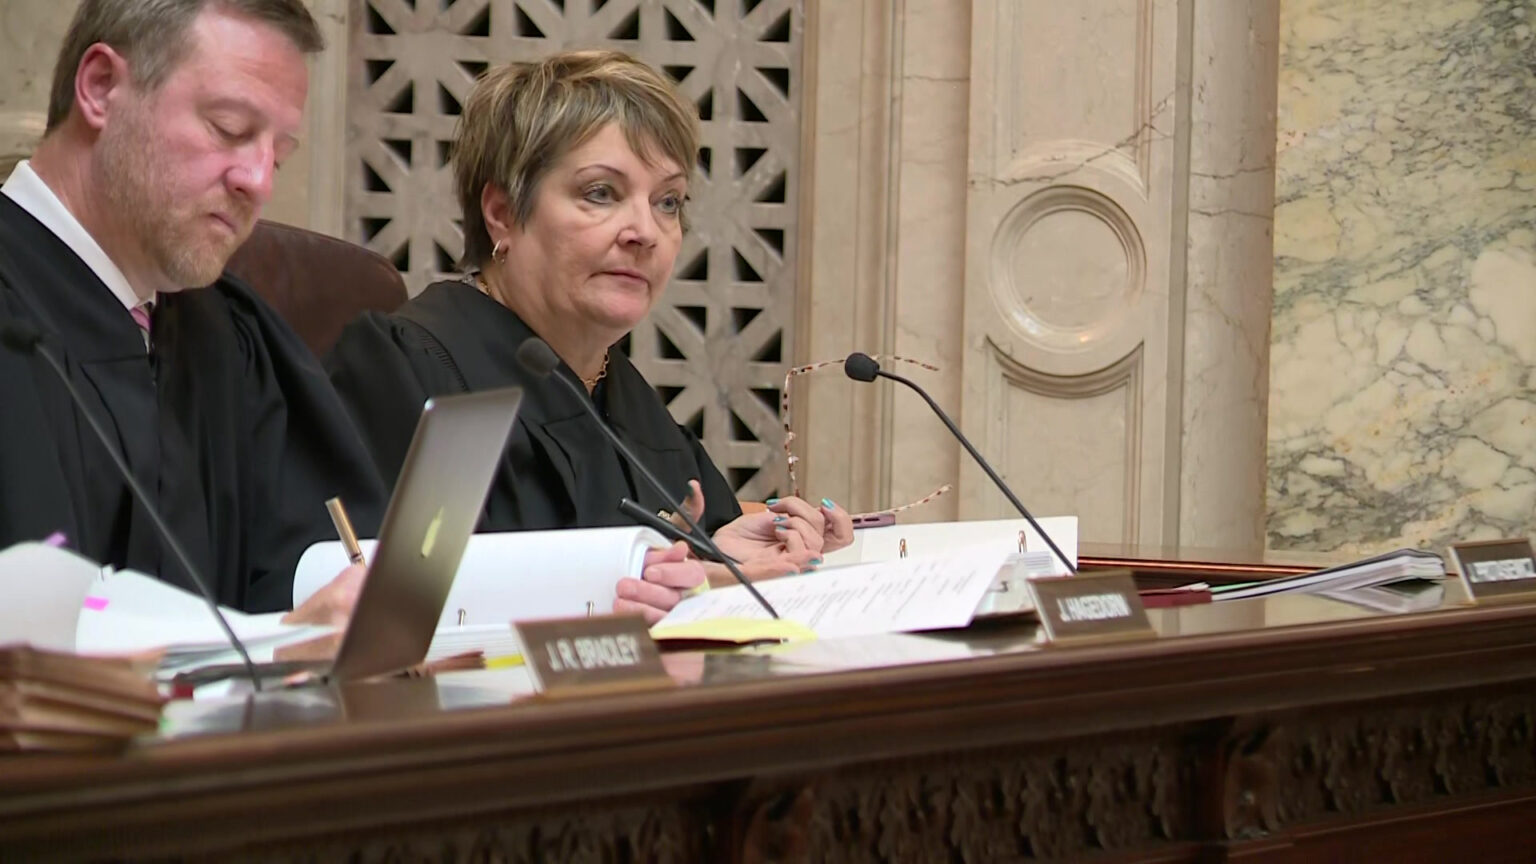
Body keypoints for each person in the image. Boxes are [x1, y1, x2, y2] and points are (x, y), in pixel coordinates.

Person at [327, 51, 853, 623]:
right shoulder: (406, 366)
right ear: (502, 212)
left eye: (668, 202)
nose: (645, 232)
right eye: (600, 193)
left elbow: (685, 557)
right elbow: (398, 608)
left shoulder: (621, 393)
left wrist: (725, 547)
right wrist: (689, 581)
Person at [0, 0, 383, 621]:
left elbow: (290, 579)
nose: (259, 180)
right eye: (230, 128)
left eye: (279, 154)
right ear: (100, 89)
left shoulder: (227, 339)